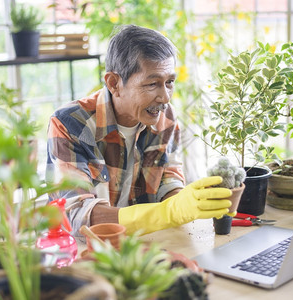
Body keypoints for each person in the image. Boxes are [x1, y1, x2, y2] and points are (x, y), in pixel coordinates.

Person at [46, 24, 232, 237]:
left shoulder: (165, 117)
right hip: (83, 251)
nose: (165, 97)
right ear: (114, 83)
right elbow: (76, 216)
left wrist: (185, 202)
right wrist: (167, 213)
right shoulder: (69, 123)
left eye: (169, 82)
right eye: (152, 84)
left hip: (143, 242)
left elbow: (167, 178)